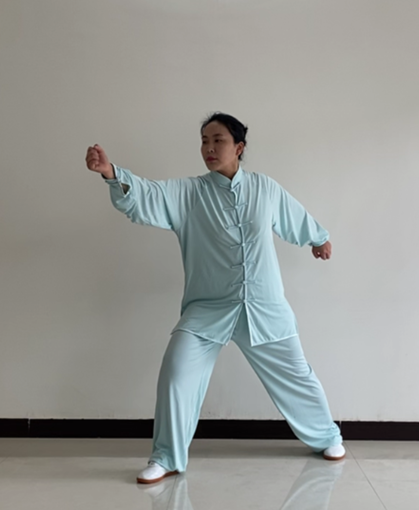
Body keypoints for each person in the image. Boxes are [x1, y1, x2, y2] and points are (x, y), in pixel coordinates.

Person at [85, 112, 346, 485]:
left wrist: (318, 238)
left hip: (264, 306)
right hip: (208, 307)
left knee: (297, 376)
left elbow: (293, 215)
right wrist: (111, 173)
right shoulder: (189, 193)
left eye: (218, 140)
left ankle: (327, 437)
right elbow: (149, 195)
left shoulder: (264, 188)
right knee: (176, 373)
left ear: (239, 147)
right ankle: (166, 457)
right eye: (204, 141)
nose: (209, 148)